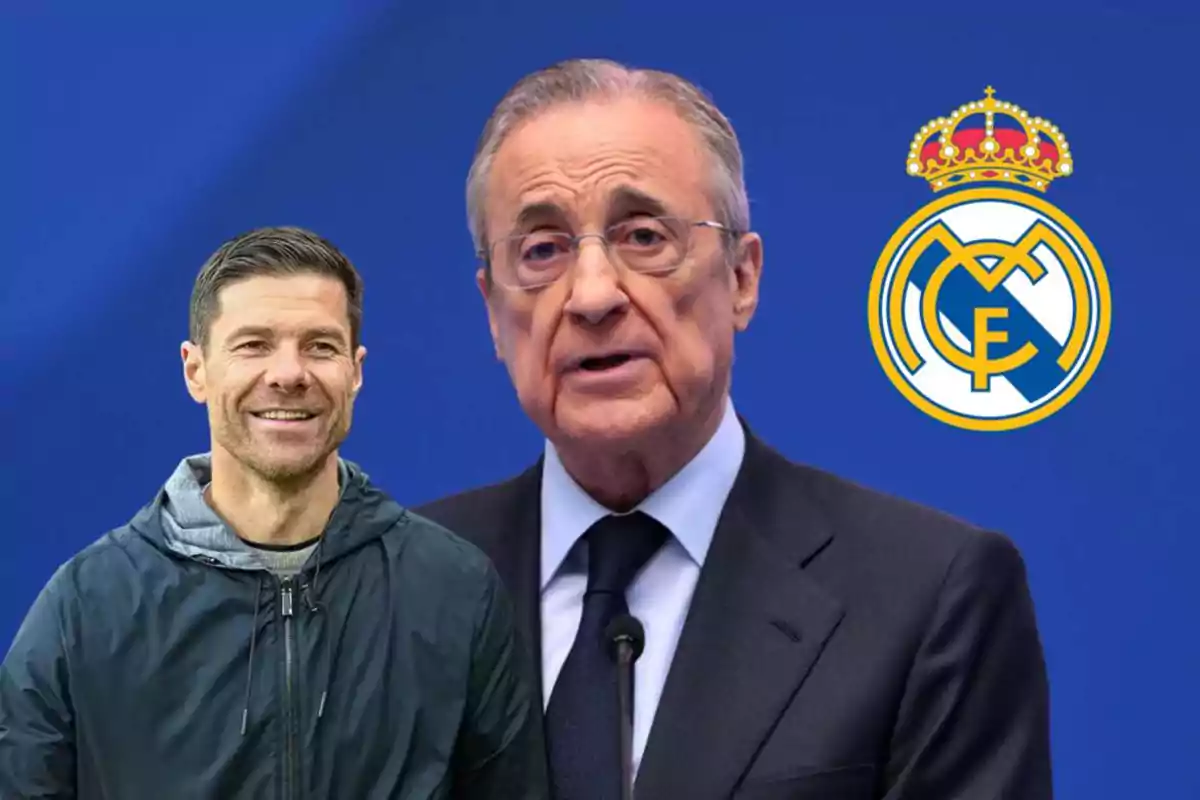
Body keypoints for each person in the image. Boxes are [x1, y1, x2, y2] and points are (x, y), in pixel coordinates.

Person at [415, 59, 1054, 799]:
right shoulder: (391, 591)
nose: (590, 295)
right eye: (542, 251)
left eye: (644, 237)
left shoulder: (929, 596)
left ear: (741, 279)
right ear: (494, 312)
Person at [0, 226, 549, 799]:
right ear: (196, 371)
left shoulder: (454, 592)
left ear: (355, 372)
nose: (289, 374)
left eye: (320, 346)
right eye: (253, 345)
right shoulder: (88, 606)